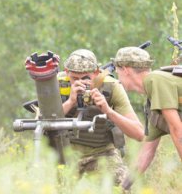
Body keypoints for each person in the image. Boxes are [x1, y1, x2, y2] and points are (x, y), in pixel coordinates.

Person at [60, 49, 144, 187]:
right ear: (66, 71)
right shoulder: (58, 84)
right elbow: (40, 123)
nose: (80, 83)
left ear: (97, 72)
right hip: (64, 156)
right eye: (74, 78)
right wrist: (70, 102)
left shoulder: (111, 87)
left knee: (123, 184)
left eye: (86, 78)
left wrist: (108, 111)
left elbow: (139, 133)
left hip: (101, 154)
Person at [112, 46, 182, 180]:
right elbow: (147, 152)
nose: (118, 80)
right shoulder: (154, 102)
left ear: (125, 69)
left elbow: (176, 129)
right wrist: (125, 186)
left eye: (118, 73)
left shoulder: (154, 80)